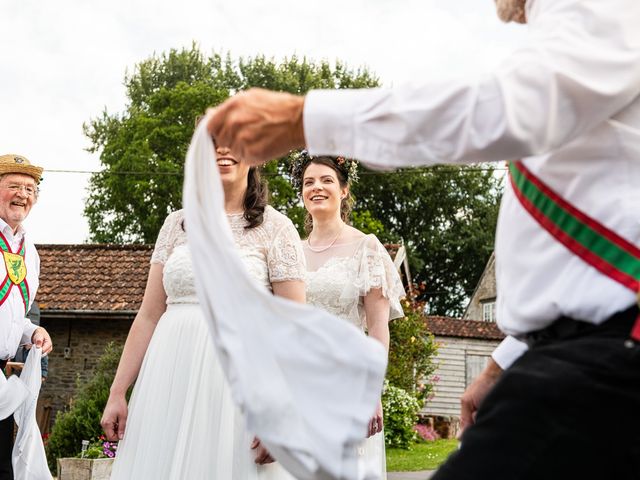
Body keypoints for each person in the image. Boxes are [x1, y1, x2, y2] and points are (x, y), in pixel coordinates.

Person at [205, 0, 640, 478]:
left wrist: (306, 118)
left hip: (607, 358)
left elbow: (505, 107)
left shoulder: (599, 8)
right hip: (573, 355)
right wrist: (504, 363)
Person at [101, 145, 306, 479]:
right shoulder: (175, 224)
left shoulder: (277, 228)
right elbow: (149, 314)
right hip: (167, 380)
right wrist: (117, 391)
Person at [291, 152, 404, 478]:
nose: (316, 187)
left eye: (326, 180)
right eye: (309, 181)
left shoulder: (366, 247)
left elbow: (379, 330)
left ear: (343, 190)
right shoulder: (290, 250)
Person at [0, 154, 53, 480]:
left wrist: (32, 331)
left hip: (2, 374)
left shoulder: (28, 251)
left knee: (4, 468)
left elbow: (14, 314)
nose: (22, 195)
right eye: (13, 186)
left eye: (30, 189)